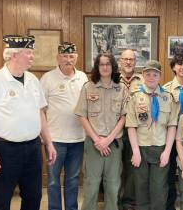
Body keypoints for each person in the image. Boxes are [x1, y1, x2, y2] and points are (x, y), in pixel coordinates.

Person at [0, 35, 56, 210]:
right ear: (14, 55)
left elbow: (40, 113)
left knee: (34, 197)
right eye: (29, 53)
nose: (32, 56)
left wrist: (49, 143)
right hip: (5, 150)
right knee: (2, 199)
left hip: (32, 148)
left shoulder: (33, 80)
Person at [74, 52, 127, 210]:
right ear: (97, 67)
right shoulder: (88, 87)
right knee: (91, 184)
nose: (105, 67)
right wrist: (98, 140)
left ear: (113, 67)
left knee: (112, 184)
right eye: (101, 64)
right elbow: (82, 116)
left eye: (108, 64)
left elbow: (124, 117)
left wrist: (108, 139)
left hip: (114, 144)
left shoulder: (121, 88)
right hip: (93, 144)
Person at [40, 42, 88, 210]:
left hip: (78, 138)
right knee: (53, 181)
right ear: (58, 58)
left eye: (71, 56)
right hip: (55, 140)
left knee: (73, 179)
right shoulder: (47, 78)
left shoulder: (83, 77)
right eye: (65, 56)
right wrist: (46, 140)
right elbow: (41, 111)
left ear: (76, 57)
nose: (68, 59)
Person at [126, 60, 178, 210]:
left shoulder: (168, 97)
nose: (151, 77)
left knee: (159, 188)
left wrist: (167, 152)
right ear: (142, 75)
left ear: (160, 76)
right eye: (147, 74)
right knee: (141, 187)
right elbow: (131, 126)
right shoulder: (135, 96)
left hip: (160, 148)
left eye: (154, 74)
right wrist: (135, 151)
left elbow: (172, 126)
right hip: (140, 148)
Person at [163, 53, 183, 210]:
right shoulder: (164, 90)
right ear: (174, 67)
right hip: (169, 139)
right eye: (179, 64)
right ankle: (169, 206)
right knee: (168, 176)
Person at [119, 49, 143, 210]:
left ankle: (129, 201)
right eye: (125, 59)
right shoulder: (112, 79)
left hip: (136, 131)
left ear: (135, 62)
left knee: (133, 167)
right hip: (116, 131)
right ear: (120, 61)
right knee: (115, 168)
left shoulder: (143, 79)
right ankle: (114, 199)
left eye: (131, 59)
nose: (128, 62)